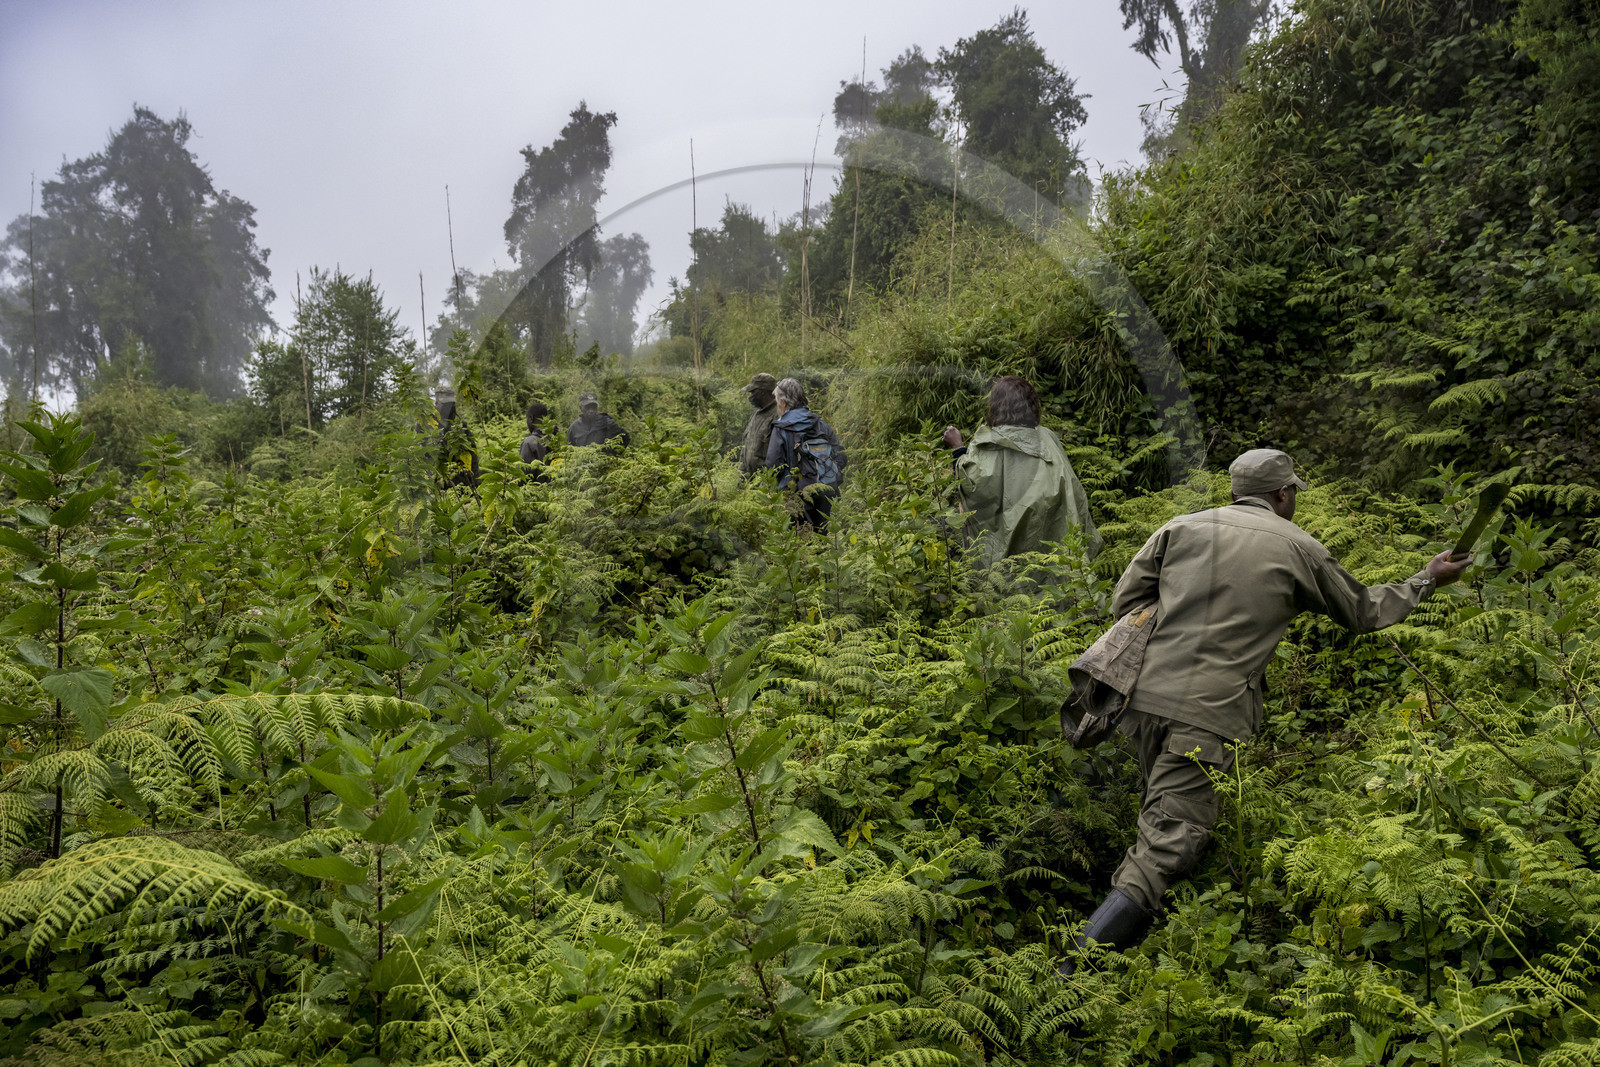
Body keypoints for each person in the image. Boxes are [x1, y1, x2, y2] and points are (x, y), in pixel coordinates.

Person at [1060, 448, 1473, 973]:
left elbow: (1127, 603)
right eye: (1293, 492)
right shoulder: (1298, 546)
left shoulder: (1179, 527)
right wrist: (1426, 579)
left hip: (1140, 702)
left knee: (1158, 813)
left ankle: (1139, 936)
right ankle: (1077, 972)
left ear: (1235, 491)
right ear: (1283, 494)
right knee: (1169, 839)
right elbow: (1364, 611)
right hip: (1208, 713)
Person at [942, 376, 1101, 564]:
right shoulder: (1047, 437)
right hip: (1054, 526)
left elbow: (974, 491)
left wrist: (958, 448)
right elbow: (1073, 490)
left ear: (996, 406)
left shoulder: (989, 443)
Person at [764, 377, 846, 531]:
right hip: (825, 493)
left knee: (801, 544)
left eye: (777, 401)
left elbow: (773, 465)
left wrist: (785, 486)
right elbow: (841, 456)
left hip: (795, 498)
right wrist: (826, 474)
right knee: (824, 539)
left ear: (783, 402)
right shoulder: (820, 424)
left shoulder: (781, 428)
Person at [434, 387, 479, 490]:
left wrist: (475, 482)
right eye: (436, 403)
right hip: (438, 484)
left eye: (438, 403)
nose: (436, 406)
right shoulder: (429, 425)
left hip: (460, 484)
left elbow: (473, 456)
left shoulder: (460, 426)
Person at [738, 372, 779, 479]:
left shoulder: (778, 415)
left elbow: (778, 456)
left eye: (753, 392)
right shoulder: (756, 413)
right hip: (749, 480)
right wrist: (741, 477)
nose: (751, 396)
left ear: (762, 392)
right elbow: (745, 447)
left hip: (765, 483)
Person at [520, 401, 550, 479]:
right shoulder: (555, 439)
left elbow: (524, 474)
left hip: (536, 489)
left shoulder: (529, 443)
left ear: (531, 418)